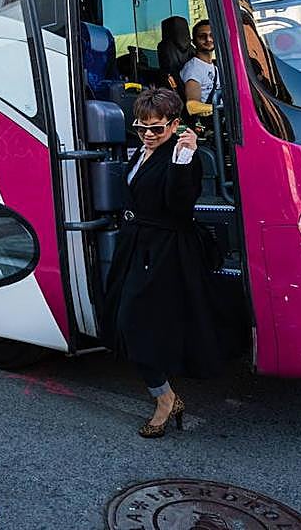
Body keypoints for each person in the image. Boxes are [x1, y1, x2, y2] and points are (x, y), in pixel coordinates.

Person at [102, 86, 225, 438]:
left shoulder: (184, 156)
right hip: (137, 246)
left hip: (166, 251)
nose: (149, 135)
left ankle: (165, 400)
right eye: (141, 127)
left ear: (175, 125)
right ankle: (166, 395)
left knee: (136, 324)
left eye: (157, 128)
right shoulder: (141, 152)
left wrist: (183, 161)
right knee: (129, 322)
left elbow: (179, 207)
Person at [180, 20, 219, 106]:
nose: (208, 39)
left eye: (211, 35)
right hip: (211, 118)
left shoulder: (214, 67)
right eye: (202, 36)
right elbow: (193, 106)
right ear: (193, 42)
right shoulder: (193, 69)